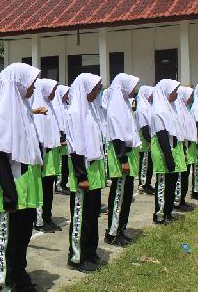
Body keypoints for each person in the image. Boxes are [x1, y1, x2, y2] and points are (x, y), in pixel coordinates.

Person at [0, 63, 46, 292]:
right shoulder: (4, 112)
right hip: (13, 184)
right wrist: (9, 194)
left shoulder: (24, 109)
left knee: (23, 235)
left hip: (28, 181)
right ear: (19, 84)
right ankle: (6, 282)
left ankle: (20, 276)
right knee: (8, 237)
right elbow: (1, 156)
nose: (33, 87)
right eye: (31, 83)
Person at [66, 73, 106, 273]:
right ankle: (77, 256)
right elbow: (74, 147)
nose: (97, 92)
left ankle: (91, 251)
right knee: (81, 216)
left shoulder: (92, 109)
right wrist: (81, 175)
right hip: (83, 170)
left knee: (92, 213)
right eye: (95, 89)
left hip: (95, 168)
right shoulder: (75, 112)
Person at [104, 73, 140, 247]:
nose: (134, 89)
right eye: (132, 86)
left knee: (126, 195)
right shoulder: (116, 106)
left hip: (128, 154)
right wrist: (123, 159)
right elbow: (117, 135)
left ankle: (121, 229)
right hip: (121, 156)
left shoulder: (125, 104)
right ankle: (112, 233)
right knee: (119, 195)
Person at [31, 78, 62, 233]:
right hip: (44, 154)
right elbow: (38, 134)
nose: (54, 93)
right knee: (41, 188)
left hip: (52, 153)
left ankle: (48, 217)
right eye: (52, 90)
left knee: (49, 188)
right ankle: (39, 221)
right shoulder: (38, 107)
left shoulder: (51, 106)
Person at [151, 79, 183, 224]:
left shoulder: (170, 108)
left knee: (171, 184)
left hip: (171, 150)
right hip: (163, 151)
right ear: (166, 92)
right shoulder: (159, 110)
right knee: (163, 184)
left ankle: (168, 213)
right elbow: (162, 135)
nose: (176, 94)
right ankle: (160, 215)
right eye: (173, 91)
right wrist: (168, 157)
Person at [174, 86, 197, 211]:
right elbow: (180, 133)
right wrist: (183, 151)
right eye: (189, 96)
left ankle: (182, 199)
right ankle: (177, 201)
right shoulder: (178, 111)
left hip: (189, 148)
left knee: (186, 175)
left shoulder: (186, 110)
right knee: (181, 176)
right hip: (183, 149)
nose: (191, 98)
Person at [136, 86, 154, 194]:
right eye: (150, 94)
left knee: (149, 164)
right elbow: (144, 127)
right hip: (145, 140)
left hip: (150, 139)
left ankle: (147, 183)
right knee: (144, 163)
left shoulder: (148, 106)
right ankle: (142, 184)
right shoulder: (141, 108)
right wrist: (149, 140)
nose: (152, 96)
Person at [53, 85, 71, 195]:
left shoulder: (67, 105)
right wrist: (60, 138)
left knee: (65, 163)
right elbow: (56, 124)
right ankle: (59, 185)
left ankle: (64, 183)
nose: (67, 95)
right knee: (60, 163)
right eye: (65, 93)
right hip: (61, 138)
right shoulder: (56, 106)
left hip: (67, 137)